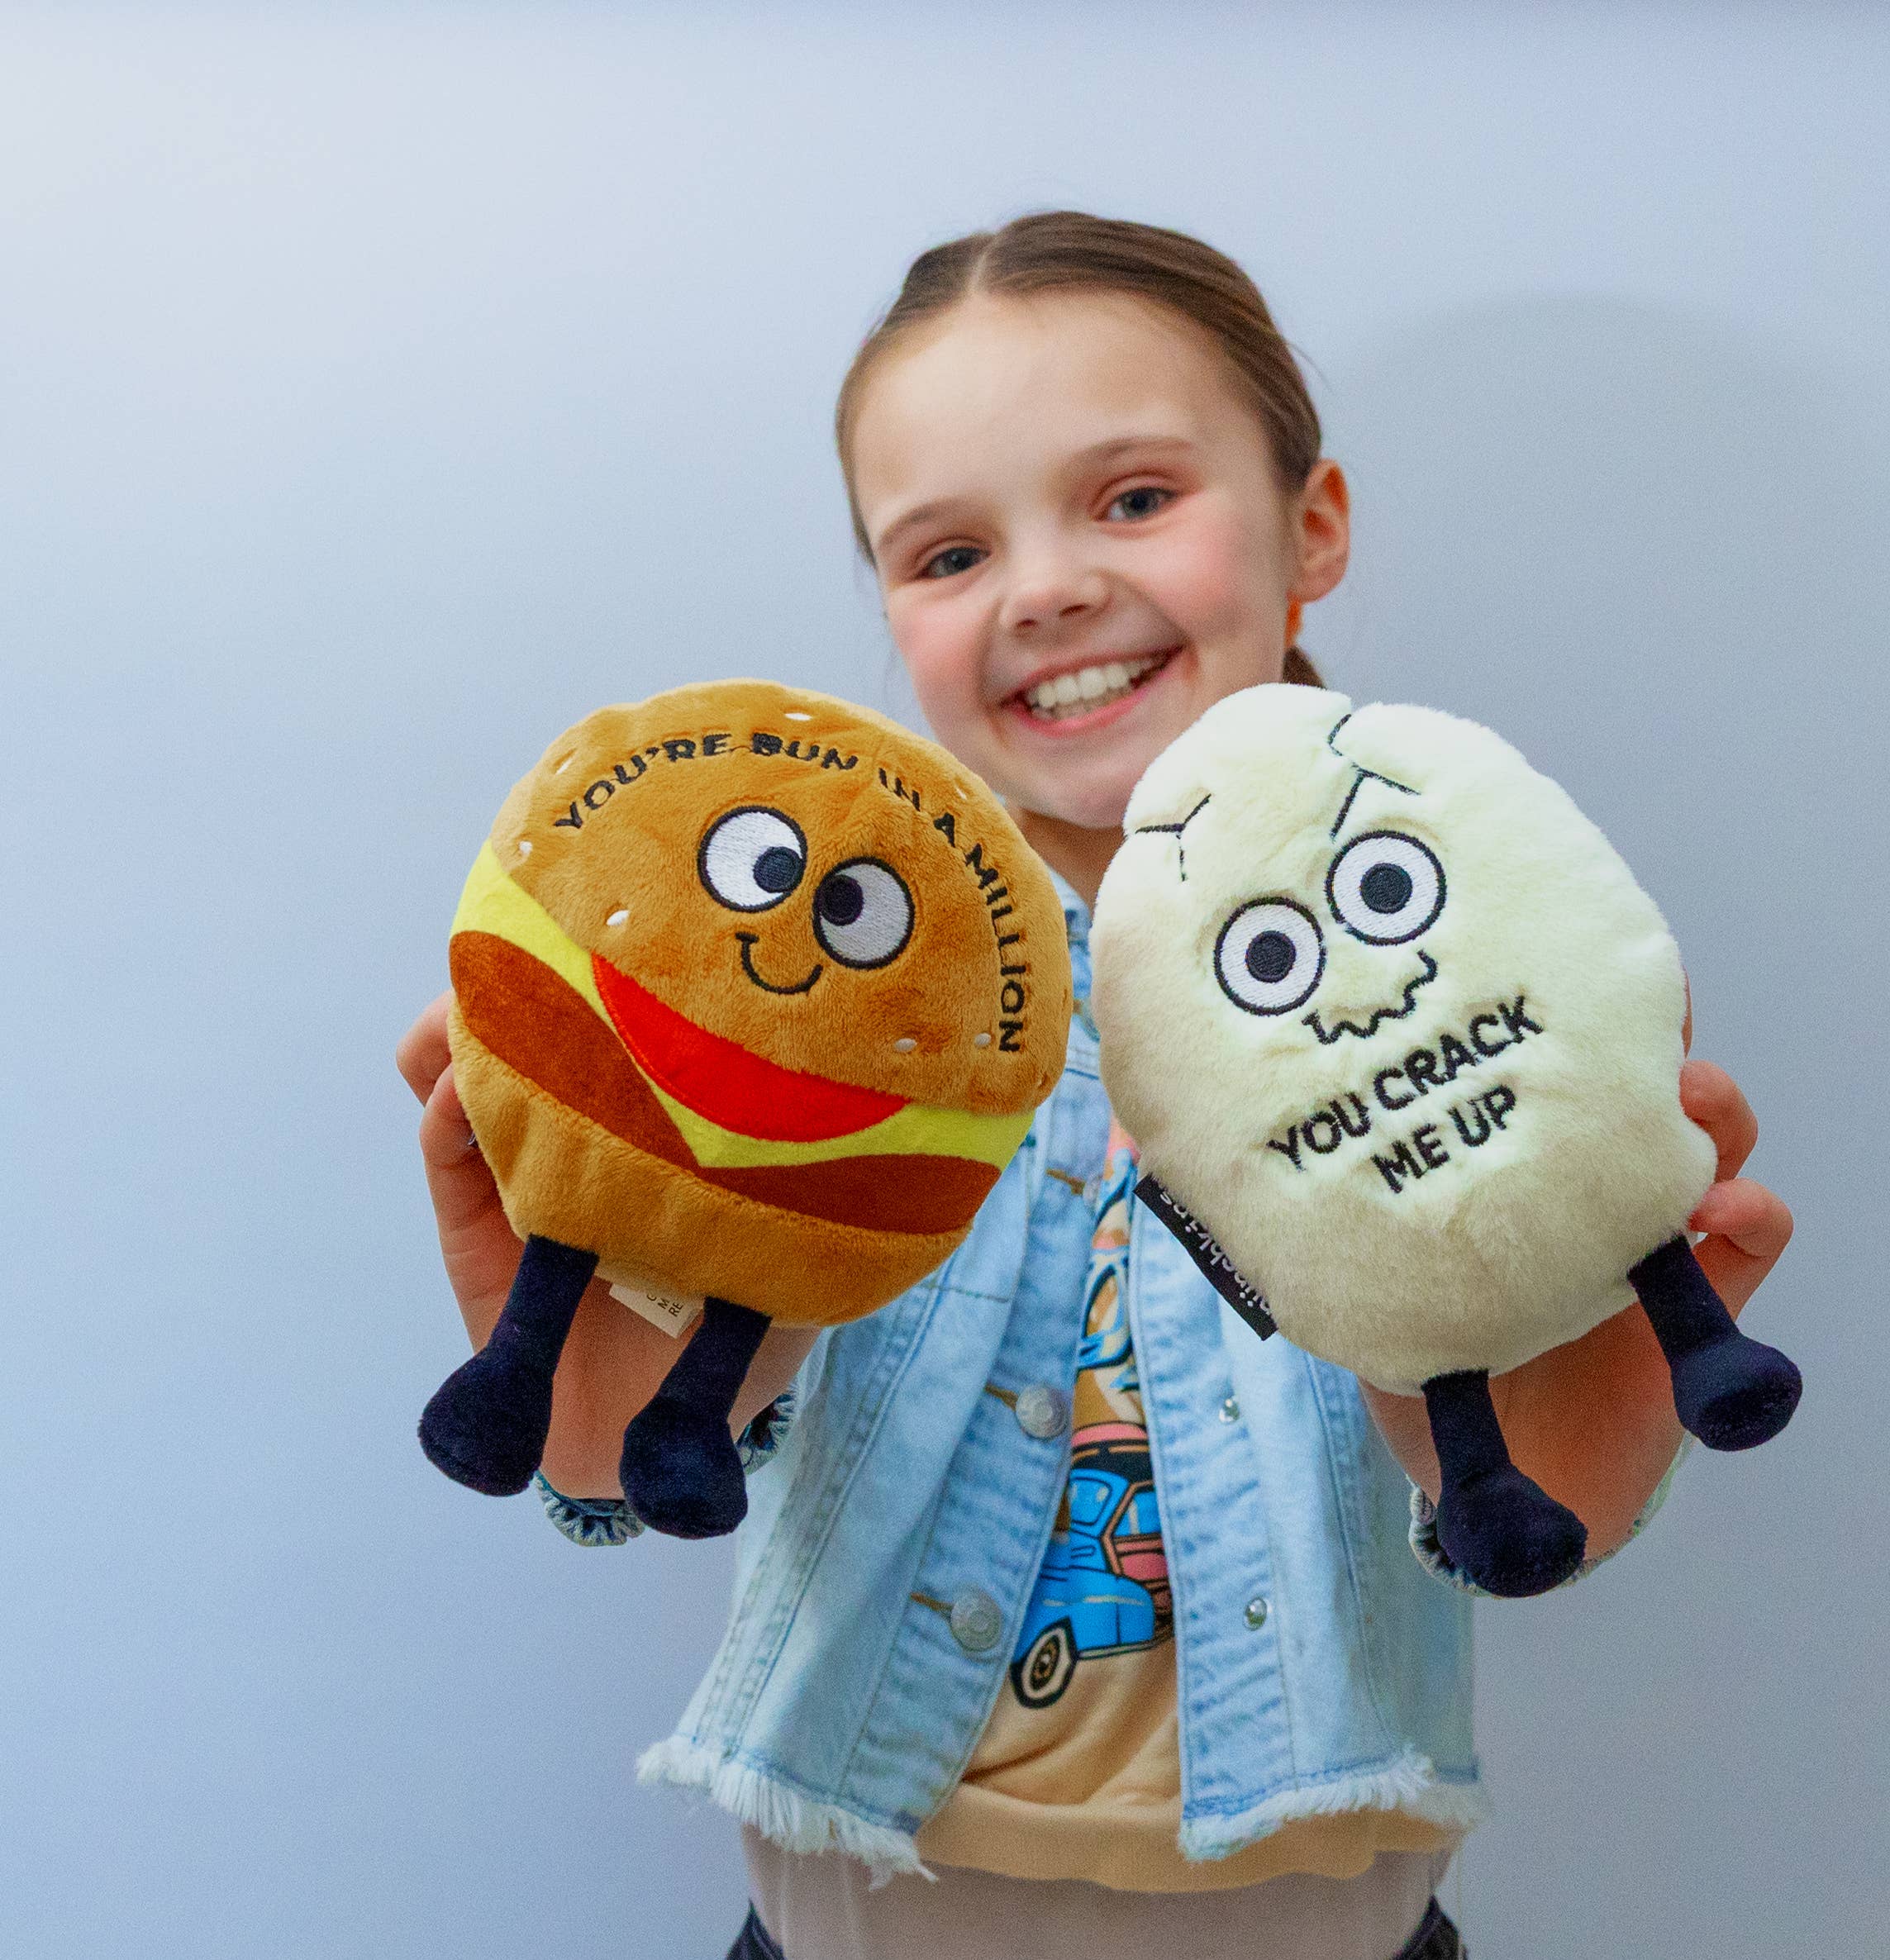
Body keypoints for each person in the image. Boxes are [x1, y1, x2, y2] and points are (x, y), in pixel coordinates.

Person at [395, 211, 1794, 1960]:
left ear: (1313, 525)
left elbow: (1529, 1511)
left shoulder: (1466, 963)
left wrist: (1570, 1407)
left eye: (1133, 497)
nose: (1045, 587)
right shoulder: (822, 1008)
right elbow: (630, 1459)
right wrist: (587, 1380)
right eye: (948, 551)